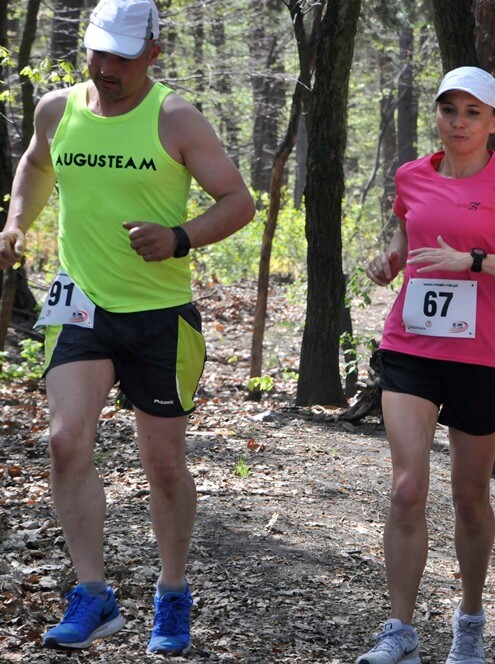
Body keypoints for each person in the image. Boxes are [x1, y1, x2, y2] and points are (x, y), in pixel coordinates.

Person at [0, 0, 255, 654]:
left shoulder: (175, 118)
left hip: (159, 316)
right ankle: (93, 594)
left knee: (163, 464)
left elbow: (238, 201)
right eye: (97, 52)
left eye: (121, 56)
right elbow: (36, 163)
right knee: (65, 441)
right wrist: (17, 221)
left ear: (153, 53)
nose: (105, 67)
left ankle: (172, 593)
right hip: (80, 305)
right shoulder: (57, 109)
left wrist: (179, 237)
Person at [357, 66, 495, 664]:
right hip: (411, 345)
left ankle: (470, 622)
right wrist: (390, 262)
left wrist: (472, 261)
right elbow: (408, 241)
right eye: (449, 109)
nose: (459, 122)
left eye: (472, 112)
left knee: (470, 497)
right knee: (407, 488)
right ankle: (399, 631)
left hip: (479, 355)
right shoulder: (412, 175)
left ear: (494, 123)